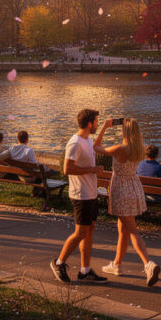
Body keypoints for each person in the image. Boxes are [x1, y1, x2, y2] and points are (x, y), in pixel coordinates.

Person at [94, 119, 161, 286]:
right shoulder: (139, 150)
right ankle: (117, 264)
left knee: (131, 230)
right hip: (134, 188)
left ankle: (148, 264)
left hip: (121, 190)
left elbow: (96, 147)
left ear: (125, 132)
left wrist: (104, 127)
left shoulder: (119, 149)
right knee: (123, 229)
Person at [51, 109, 108, 284]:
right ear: (90, 123)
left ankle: (85, 270)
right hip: (80, 195)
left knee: (89, 231)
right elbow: (67, 169)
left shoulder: (88, 140)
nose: (97, 125)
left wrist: (105, 127)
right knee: (80, 232)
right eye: (97, 122)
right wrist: (93, 170)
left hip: (90, 193)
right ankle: (59, 262)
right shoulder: (75, 142)